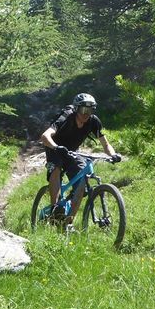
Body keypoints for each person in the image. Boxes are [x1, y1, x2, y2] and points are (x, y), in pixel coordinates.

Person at [40, 93, 121, 225]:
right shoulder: (66, 116)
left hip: (72, 152)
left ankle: (68, 222)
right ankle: (54, 208)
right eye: (83, 110)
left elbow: (105, 144)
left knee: (82, 182)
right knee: (56, 167)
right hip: (55, 148)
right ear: (76, 109)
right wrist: (56, 147)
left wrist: (113, 155)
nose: (86, 114)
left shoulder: (93, 121)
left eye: (90, 110)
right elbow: (45, 136)